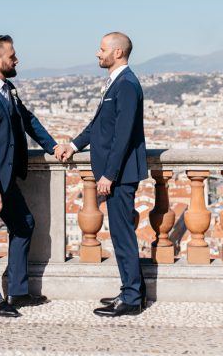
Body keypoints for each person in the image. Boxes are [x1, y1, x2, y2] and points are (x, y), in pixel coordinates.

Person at [0, 34, 59, 318]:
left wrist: (53, 146)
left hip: (7, 180)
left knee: (24, 224)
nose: (17, 60)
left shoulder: (8, 88)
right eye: (12, 56)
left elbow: (28, 120)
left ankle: (17, 291)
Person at [55, 32, 148, 317]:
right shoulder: (117, 83)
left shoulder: (127, 85)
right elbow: (99, 127)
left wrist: (109, 174)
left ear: (117, 52)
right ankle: (129, 291)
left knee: (123, 236)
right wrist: (72, 145)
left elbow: (122, 135)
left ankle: (132, 298)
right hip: (115, 173)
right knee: (120, 235)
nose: (97, 53)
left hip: (118, 175)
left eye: (102, 49)